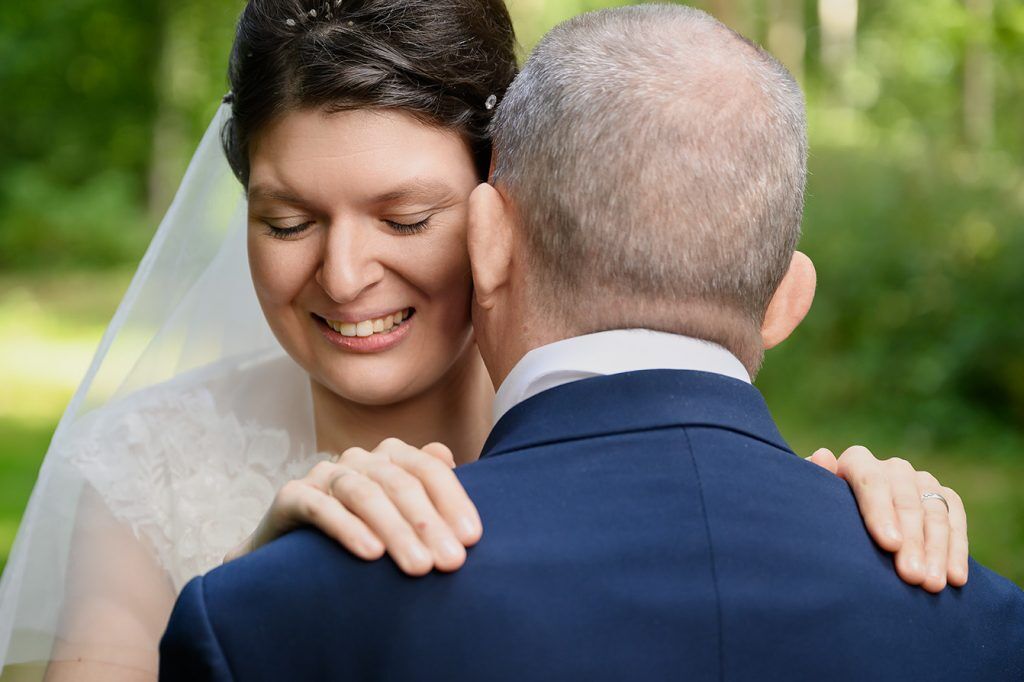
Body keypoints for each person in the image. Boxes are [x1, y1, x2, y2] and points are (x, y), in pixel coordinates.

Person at [0, 1, 973, 680]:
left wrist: (856, 533)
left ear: (497, 218)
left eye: (405, 218)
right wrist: (265, 600)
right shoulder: (145, 466)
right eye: (287, 222)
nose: (342, 275)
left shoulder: (635, 446)